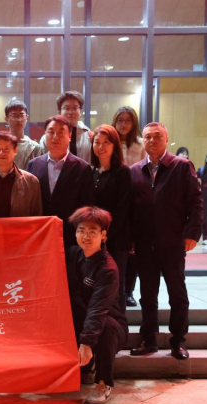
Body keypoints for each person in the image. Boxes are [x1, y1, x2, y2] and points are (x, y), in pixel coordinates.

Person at [129, 122, 203, 360]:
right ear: (143, 140)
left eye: (157, 136)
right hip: (144, 244)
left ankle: (178, 341)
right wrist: (131, 238)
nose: (152, 140)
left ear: (167, 139)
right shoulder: (134, 171)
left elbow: (195, 202)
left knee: (177, 294)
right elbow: (130, 210)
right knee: (147, 295)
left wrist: (192, 233)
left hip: (172, 242)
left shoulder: (181, 166)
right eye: (147, 137)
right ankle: (148, 340)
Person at [66, 206, 128, 404]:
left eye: (92, 231)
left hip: (108, 325)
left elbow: (98, 310)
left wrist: (86, 344)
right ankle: (85, 368)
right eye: (81, 230)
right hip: (79, 319)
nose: (86, 236)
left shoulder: (107, 269)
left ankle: (103, 383)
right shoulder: (72, 254)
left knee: (106, 326)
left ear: (103, 236)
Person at [27, 115, 94, 249]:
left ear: (69, 136)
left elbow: (87, 207)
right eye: (51, 132)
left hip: (70, 237)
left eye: (61, 132)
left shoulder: (83, 168)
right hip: (40, 234)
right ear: (45, 135)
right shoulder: (34, 165)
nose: (55, 137)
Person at [91, 125, 132, 310]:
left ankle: (119, 324)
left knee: (116, 285)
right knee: (98, 286)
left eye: (106, 142)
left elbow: (123, 209)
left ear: (114, 145)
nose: (101, 147)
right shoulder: (92, 172)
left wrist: (106, 234)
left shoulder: (123, 172)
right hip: (95, 239)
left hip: (116, 238)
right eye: (97, 142)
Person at [112, 106, 144, 308]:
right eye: (120, 120)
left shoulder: (141, 145)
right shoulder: (110, 142)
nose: (123, 124)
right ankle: (116, 289)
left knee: (132, 250)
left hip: (136, 200)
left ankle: (129, 290)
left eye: (128, 120)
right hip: (115, 200)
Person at [0, 131, 42, 218]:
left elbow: (37, 216)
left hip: (19, 227)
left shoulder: (31, 182)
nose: (2, 153)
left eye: (6, 149)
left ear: (15, 150)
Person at [39, 91, 92, 163]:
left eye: (75, 108)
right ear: (59, 112)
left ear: (80, 111)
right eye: (66, 108)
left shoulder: (90, 136)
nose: (71, 112)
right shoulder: (47, 138)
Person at [3, 100, 43, 169]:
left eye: (21, 115)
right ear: (6, 119)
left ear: (27, 118)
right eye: (14, 115)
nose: (18, 119)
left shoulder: (35, 148)